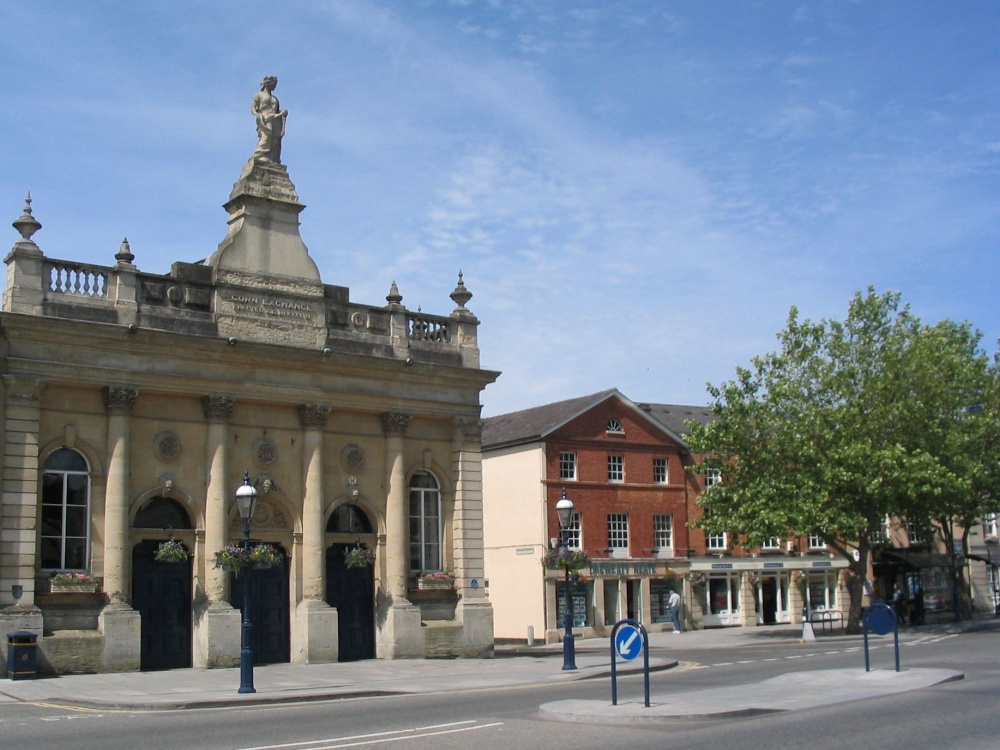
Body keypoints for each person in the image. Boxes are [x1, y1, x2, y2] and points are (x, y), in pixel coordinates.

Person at [251, 76, 287, 165]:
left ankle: (271, 157)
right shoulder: (259, 95)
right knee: (267, 135)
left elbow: (277, 110)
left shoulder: (275, 99)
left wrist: (283, 112)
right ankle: (260, 155)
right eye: (273, 84)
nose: (274, 86)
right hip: (265, 118)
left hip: (276, 118)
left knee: (275, 139)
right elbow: (253, 108)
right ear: (268, 84)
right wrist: (259, 116)